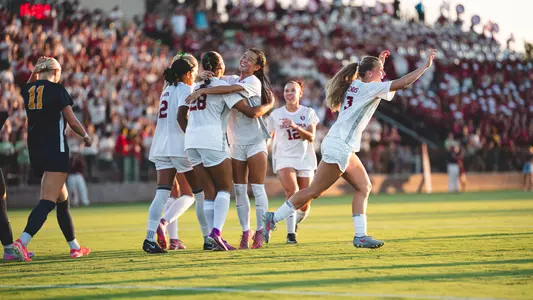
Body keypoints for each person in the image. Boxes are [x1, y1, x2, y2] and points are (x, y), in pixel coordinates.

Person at [263, 49, 437, 248]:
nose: (384, 74)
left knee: (364, 186)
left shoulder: (358, 84)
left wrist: (378, 63)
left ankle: (360, 236)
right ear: (369, 74)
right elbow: (403, 83)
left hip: (341, 144)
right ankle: (272, 219)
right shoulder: (369, 88)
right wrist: (424, 67)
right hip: (340, 145)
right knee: (313, 191)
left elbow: (379, 81)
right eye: (380, 71)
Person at [183, 51, 274, 251]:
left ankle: (260, 230)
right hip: (234, 142)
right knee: (238, 190)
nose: (244, 59)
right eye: (244, 56)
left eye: (250, 59)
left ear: (257, 67)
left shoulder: (252, 81)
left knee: (257, 188)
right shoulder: (230, 78)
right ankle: (245, 231)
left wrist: (202, 88)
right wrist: (203, 75)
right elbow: (218, 79)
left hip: (255, 139)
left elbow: (237, 97)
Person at [11, 57, 92, 261]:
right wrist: (85, 136)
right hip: (55, 149)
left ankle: (74, 247)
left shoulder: (29, 90)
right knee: (47, 202)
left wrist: (34, 73)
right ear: (56, 72)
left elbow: (28, 86)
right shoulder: (58, 90)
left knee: (62, 201)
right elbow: (71, 120)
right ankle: (22, 242)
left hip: (36, 151)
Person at [144, 54, 214, 254]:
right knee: (199, 194)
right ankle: (207, 239)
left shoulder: (166, 90)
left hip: (161, 145)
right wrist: (192, 137)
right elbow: (181, 115)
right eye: (193, 73)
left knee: (161, 194)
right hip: (179, 146)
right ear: (188, 73)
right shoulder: (185, 88)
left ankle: (149, 238)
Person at [266, 80, 319, 244]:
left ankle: (288, 223)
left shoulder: (308, 112)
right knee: (292, 191)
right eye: (286, 90)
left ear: (300, 94)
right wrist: (263, 153)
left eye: (292, 91)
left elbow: (311, 137)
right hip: (284, 158)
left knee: (304, 202)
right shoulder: (276, 114)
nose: (289, 94)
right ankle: (291, 235)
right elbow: (268, 137)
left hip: (304, 158)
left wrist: (295, 126)